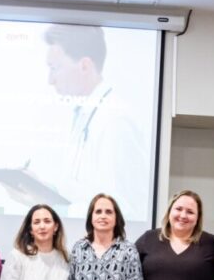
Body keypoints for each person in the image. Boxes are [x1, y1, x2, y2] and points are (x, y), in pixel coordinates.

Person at [41, 24, 148, 219]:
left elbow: (123, 207)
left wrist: (59, 211)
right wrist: (43, 191)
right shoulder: (84, 113)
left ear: (85, 66)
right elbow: (82, 188)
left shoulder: (116, 121)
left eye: (55, 68)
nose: (50, 80)